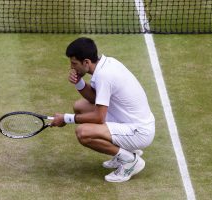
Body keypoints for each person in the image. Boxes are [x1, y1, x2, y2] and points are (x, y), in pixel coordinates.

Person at [51, 37, 155, 182]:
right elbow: (94, 99)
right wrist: (79, 82)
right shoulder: (106, 64)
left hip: (139, 132)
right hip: (129, 121)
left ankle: (130, 160)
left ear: (86, 62)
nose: (72, 67)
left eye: (74, 63)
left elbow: (99, 117)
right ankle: (126, 151)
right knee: (80, 107)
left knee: (83, 133)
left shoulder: (104, 76)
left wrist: (66, 118)